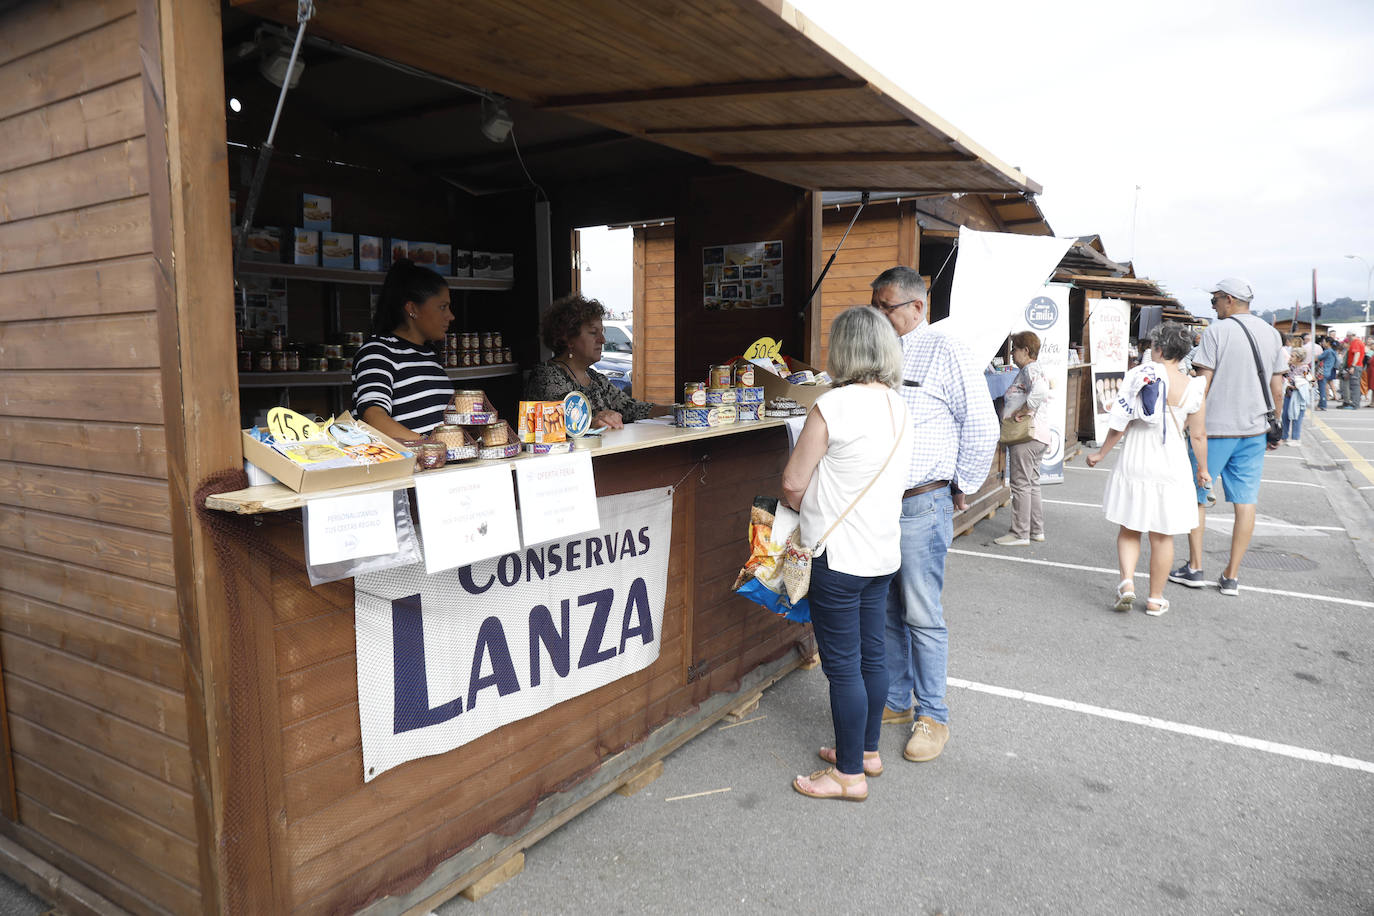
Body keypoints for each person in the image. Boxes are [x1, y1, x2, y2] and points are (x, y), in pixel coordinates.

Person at [783, 306, 912, 801]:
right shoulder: (900, 407)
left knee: (842, 667)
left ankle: (849, 775)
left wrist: (808, 502)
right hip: (881, 552)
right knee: (872, 655)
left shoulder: (832, 406)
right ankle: (868, 751)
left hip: (836, 556)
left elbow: (793, 483)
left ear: (843, 349)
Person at [870, 266, 997, 763]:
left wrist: (961, 486)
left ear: (917, 307)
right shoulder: (876, 353)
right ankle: (898, 702)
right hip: (879, 505)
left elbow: (981, 424)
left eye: (886, 307)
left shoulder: (946, 350)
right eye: (875, 306)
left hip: (923, 502)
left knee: (922, 614)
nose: (878, 315)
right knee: (885, 612)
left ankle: (934, 716)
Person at [1168, 278, 1284, 597]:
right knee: (1246, 502)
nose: (1214, 306)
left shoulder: (1217, 332)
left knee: (1198, 496)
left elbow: (1202, 383)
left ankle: (1194, 567)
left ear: (1229, 299)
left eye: (1215, 300)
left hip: (1215, 429)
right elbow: (1277, 389)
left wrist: (1185, 420)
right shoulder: (1272, 334)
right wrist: (1276, 424)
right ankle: (1231, 576)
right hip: (1254, 430)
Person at [1086, 323, 1209, 615]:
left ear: (1159, 349)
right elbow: (1199, 434)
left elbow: (1121, 419)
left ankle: (1127, 583)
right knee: (1162, 534)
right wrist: (1202, 468)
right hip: (1172, 459)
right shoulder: (1193, 386)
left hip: (1138, 455)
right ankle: (1155, 598)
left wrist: (1101, 453)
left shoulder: (1139, 376)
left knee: (1130, 527)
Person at [525, 294, 670, 428]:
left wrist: (677, 409)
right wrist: (594, 422)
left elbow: (634, 408)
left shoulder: (597, 379)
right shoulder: (547, 376)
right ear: (568, 338)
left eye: (602, 332)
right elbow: (560, 424)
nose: (603, 340)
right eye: (593, 333)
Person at [352, 259, 454, 438]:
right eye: (442, 307)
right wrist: (427, 447)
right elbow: (373, 417)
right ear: (412, 308)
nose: (450, 316)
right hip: (410, 464)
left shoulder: (429, 355)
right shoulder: (378, 351)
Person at [994, 330, 1052, 546]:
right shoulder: (1034, 369)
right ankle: (1036, 529)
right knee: (1031, 483)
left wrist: (1023, 410)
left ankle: (1020, 533)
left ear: (1025, 350)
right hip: (1038, 435)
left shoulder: (1030, 369)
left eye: (1014, 349)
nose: (1012, 353)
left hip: (1026, 435)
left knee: (1020, 484)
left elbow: (1041, 391)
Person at [1279, 344, 1311, 446]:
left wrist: (1297, 386)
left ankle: (1296, 438)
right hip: (1288, 394)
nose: (1290, 358)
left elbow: (1309, 381)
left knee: (1297, 416)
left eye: (1293, 356)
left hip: (1298, 396)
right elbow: (1284, 375)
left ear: (1299, 358)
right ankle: (1284, 437)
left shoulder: (1305, 368)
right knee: (1285, 416)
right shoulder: (1290, 366)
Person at [1340, 332, 1365, 409]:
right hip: (1358, 366)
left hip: (1356, 366)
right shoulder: (1359, 342)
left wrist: (1353, 366)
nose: (1347, 338)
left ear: (1350, 336)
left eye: (1348, 336)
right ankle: (1355, 403)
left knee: (1354, 386)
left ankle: (1355, 404)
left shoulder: (1355, 342)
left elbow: (1357, 354)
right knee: (1355, 385)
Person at [1315, 336, 1337, 411]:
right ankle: (1321, 404)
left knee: (1322, 389)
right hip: (1328, 371)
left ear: (1328, 343)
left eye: (1324, 342)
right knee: (1323, 388)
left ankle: (1322, 405)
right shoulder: (1333, 351)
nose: (1322, 343)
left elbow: (1318, 358)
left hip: (1322, 372)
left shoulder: (1327, 351)